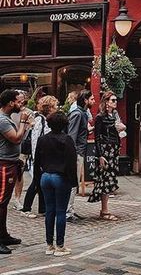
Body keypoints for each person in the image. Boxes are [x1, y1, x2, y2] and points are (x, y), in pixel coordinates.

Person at [34, 112, 77, 256]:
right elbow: (71, 163)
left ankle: (49, 245)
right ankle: (60, 246)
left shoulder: (42, 139)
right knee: (60, 212)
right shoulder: (67, 140)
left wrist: (36, 179)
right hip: (60, 177)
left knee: (49, 211)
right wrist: (73, 181)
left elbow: (37, 161)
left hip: (45, 176)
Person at [0, 89, 33, 255]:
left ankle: (3, 234)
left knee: (4, 202)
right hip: (4, 165)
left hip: (10, 163)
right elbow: (16, 138)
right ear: (11, 103)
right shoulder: (3, 121)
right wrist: (22, 122)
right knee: (0, 202)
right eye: (19, 101)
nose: (22, 104)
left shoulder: (5, 118)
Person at [21, 95, 59, 218]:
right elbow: (35, 141)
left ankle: (43, 208)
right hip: (40, 157)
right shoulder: (39, 120)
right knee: (36, 182)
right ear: (49, 107)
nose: (57, 108)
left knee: (42, 183)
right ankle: (26, 208)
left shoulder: (46, 119)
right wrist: (37, 158)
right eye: (55, 105)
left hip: (45, 156)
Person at [88, 91, 120, 221]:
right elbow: (97, 138)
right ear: (106, 102)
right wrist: (100, 155)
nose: (115, 102)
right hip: (105, 150)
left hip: (113, 149)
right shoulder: (100, 117)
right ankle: (104, 210)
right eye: (113, 100)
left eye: (115, 100)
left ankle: (105, 209)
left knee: (110, 178)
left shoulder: (114, 115)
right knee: (105, 179)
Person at [66, 90, 95, 223]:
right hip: (76, 152)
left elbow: (81, 132)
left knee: (75, 183)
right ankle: (67, 212)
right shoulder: (77, 114)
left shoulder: (82, 113)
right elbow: (72, 135)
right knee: (72, 183)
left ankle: (70, 210)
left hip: (79, 151)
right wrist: (73, 153)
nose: (93, 101)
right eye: (92, 99)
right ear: (85, 100)